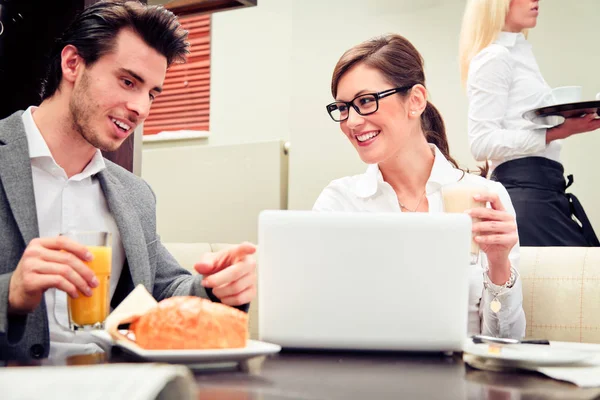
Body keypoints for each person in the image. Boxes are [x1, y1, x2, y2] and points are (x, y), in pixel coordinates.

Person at [0, 1, 256, 361]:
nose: (141, 108)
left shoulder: (134, 194)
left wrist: (218, 286)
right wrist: (11, 292)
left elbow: (167, 290)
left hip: (116, 383)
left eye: (151, 93)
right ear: (73, 63)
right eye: (128, 81)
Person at [315, 34, 525, 339]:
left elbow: (506, 341)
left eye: (365, 101)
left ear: (415, 100)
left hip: (460, 378)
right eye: (343, 108)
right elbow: (321, 318)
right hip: (366, 376)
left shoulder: (483, 198)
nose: (352, 122)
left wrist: (498, 264)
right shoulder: (339, 202)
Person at [459, 0, 600, 246]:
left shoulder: (518, 53)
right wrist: (555, 133)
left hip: (545, 192)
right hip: (527, 197)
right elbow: (481, 143)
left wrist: (567, 125)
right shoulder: (494, 56)